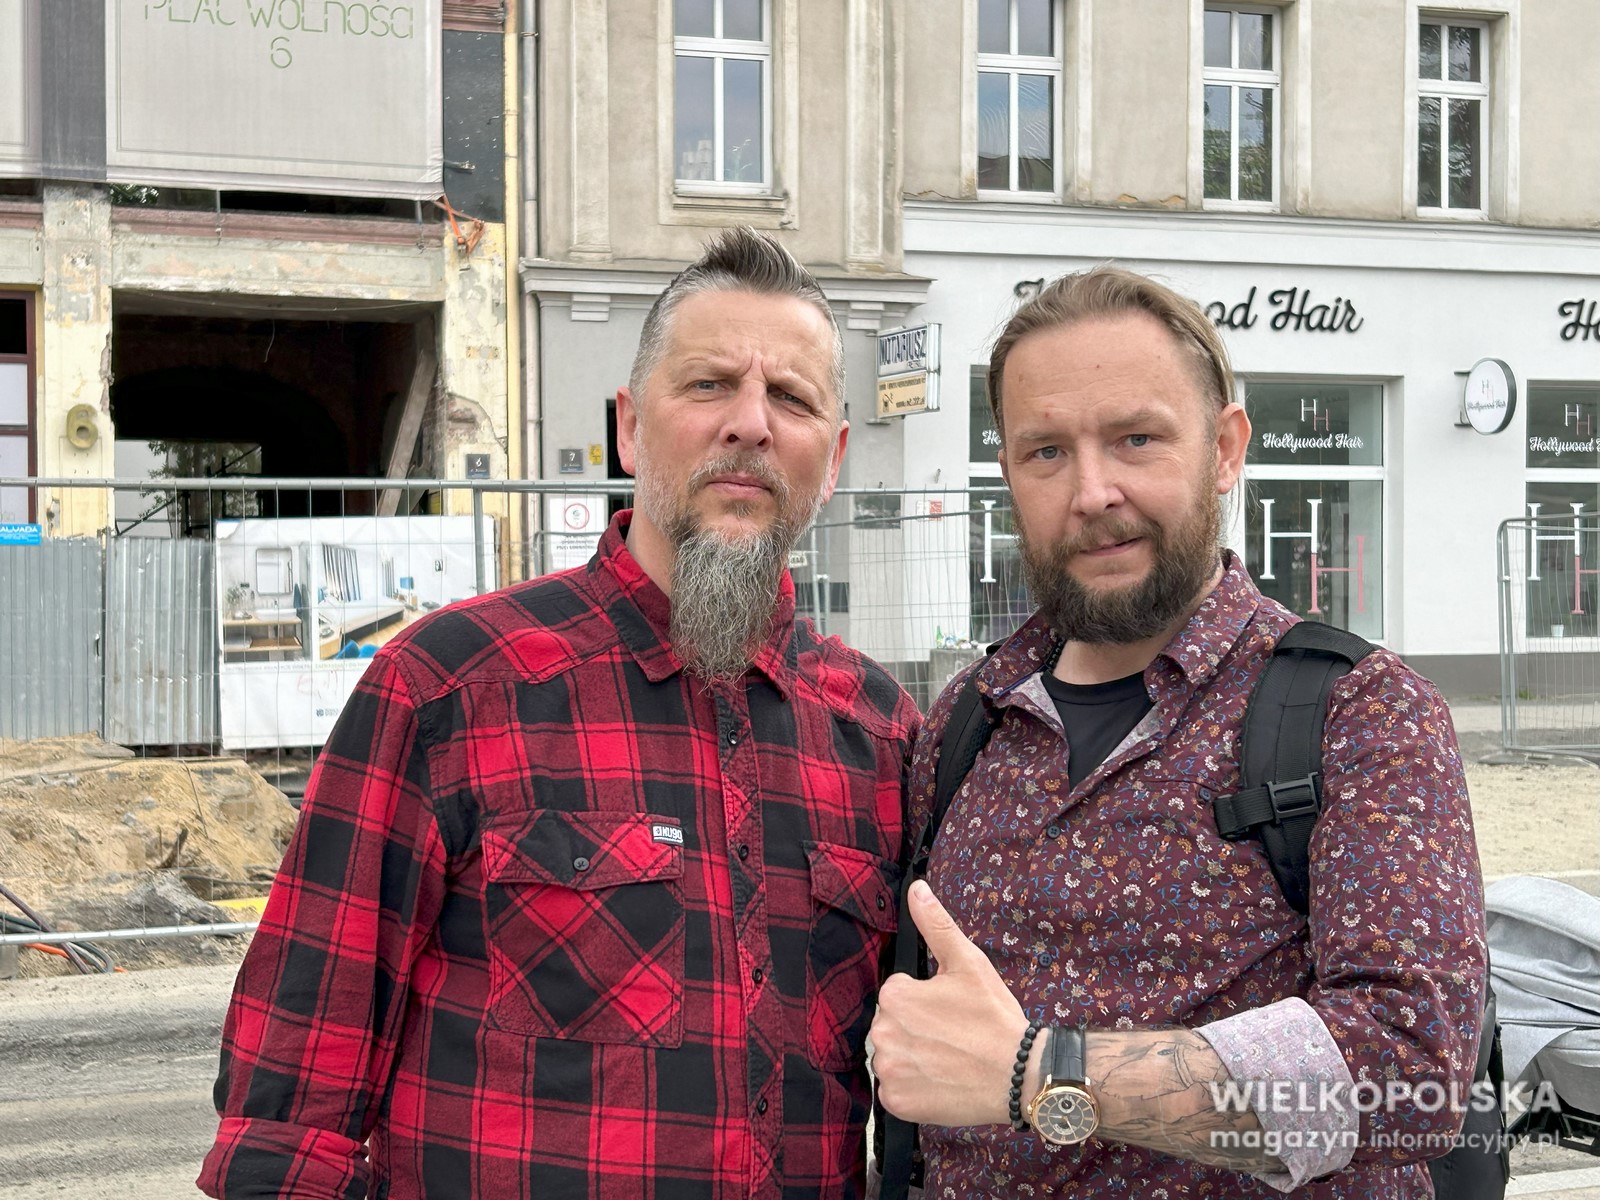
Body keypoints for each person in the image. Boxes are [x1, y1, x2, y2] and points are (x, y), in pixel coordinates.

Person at [199, 228, 920, 1200]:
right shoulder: (448, 688)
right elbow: (290, 1104)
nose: (750, 423)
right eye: (708, 384)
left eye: (790, 397)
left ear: (830, 458)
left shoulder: (881, 737)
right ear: (630, 428)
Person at [869, 266, 1488, 1197]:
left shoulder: (1358, 712)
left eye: (1137, 439)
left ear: (1225, 449)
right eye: (1047, 452)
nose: (1093, 491)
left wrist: (1042, 1074)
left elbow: (1412, 1071)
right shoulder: (966, 721)